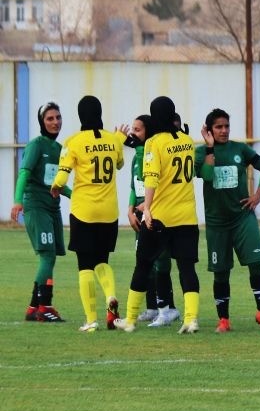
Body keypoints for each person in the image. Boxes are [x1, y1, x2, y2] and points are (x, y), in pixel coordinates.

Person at [113, 96, 202, 333]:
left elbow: (151, 178)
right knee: (187, 268)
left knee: (142, 264)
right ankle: (191, 319)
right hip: (187, 216)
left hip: (161, 216)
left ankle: (130, 320)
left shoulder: (154, 143)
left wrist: (148, 208)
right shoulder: (187, 140)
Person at [50, 95, 129, 332]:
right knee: (102, 261)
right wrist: (117, 138)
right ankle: (111, 298)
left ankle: (91, 320)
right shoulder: (113, 141)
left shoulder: (73, 141)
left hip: (84, 211)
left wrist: (55, 186)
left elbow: (63, 174)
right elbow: (120, 164)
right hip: (108, 212)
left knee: (85, 265)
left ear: (80, 115)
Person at [197, 108, 260, 333]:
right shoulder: (201, 153)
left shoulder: (241, 149)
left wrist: (258, 195)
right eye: (219, 127)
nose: (224, 130)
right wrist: (210, 147)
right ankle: (224, 320)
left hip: (243, 219)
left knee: (255, 264)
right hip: (216, 223)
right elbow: (208, 176)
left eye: (226, 126)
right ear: (209, 130)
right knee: (221, 271)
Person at [11, 102, 69, 322]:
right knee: (47, 255)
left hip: (53, 209)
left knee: (51, 257)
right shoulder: (36, 145)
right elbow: (24, 172)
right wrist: (18, 201)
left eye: (58, 117)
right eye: (50, 118)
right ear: (42, 122)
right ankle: (45, 307)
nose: (55, 122)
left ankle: (33, 307)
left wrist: (79, 196)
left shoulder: (60, 149)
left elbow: (57, 184)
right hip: (36, 207)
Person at [126, 114, 178, 327]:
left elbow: (157, 182)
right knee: (144, 261)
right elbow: (134, 186)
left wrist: (146, 206)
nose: (132, 133)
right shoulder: (136, 158)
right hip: (139, 215)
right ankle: (152, 308)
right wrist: (130, 209)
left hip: (154, 215)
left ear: (148, 131)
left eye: (137, 130)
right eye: (132, 129)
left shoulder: (149, 152)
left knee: (160, 263)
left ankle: (168, 308)